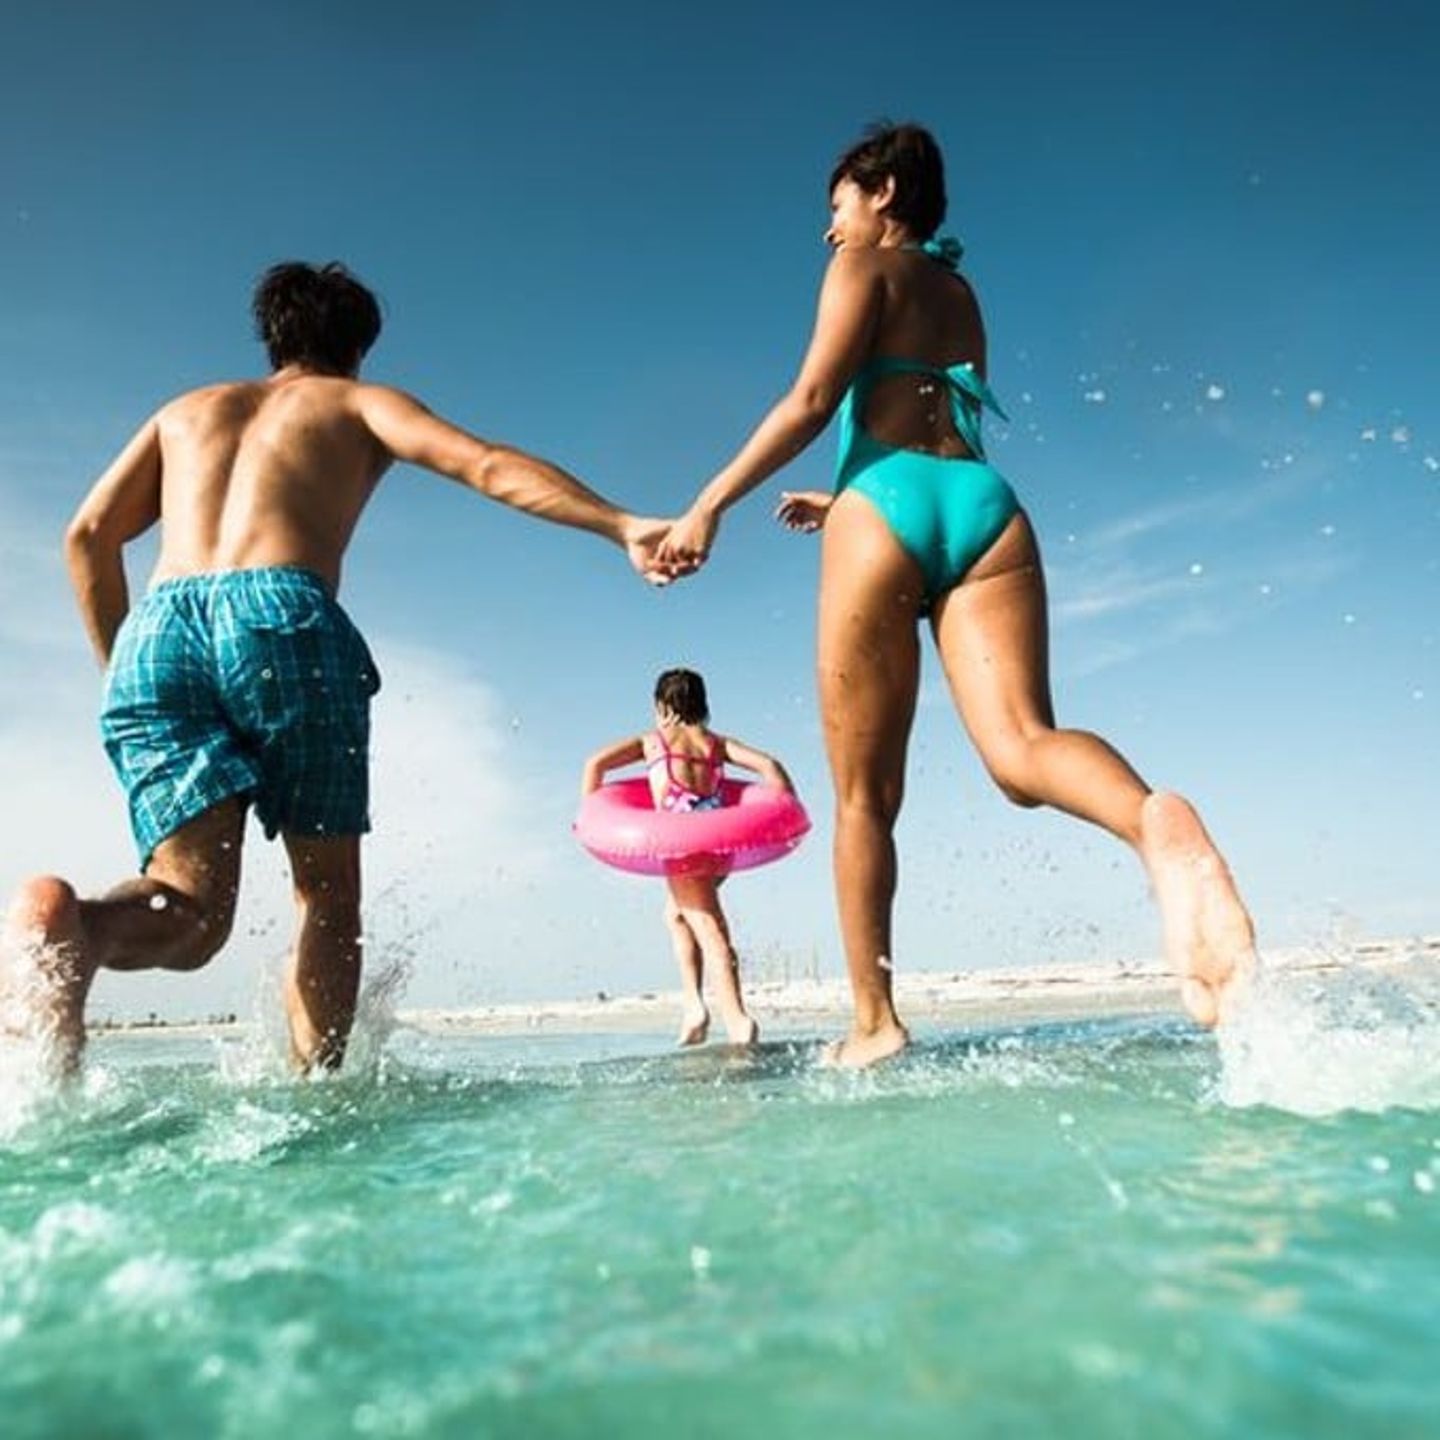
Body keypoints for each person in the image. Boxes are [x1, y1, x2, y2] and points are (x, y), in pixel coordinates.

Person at [656, 123, 1257, 1067]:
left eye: (839, 206)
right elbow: (924, 417)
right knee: (1024, 752)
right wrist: (843, 493)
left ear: (884, 192)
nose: (830, 231)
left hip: (884, 514)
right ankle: (1153, 823)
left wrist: (707, 505)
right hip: (983, 507)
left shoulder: (864, 269)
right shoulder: (959, 289)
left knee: (864, 799)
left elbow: (815, 399)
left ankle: (874, 1023)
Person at [0, 260, 670, 1076]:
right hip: (283, 617)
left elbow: (87, 536)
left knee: (192, 909)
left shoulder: (185, 412)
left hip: (158, 630)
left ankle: (79, 926)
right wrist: (619, 522)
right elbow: (487, 464)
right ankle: (316, 1099)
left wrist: (124, 671)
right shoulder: (358, 402)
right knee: (324, 892)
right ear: (357, 350)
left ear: (272, 335)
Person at [580, 668, 794, 1047]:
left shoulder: (653, 742)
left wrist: (589, 815)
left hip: (681, 846)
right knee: (676, 915)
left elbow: (595, 764)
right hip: (719, 844)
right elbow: (771, 767)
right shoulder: (716, 744)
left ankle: (738, 1020)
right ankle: (694, 1007)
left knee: (710, 928)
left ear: (662, 705)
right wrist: (783, 808)